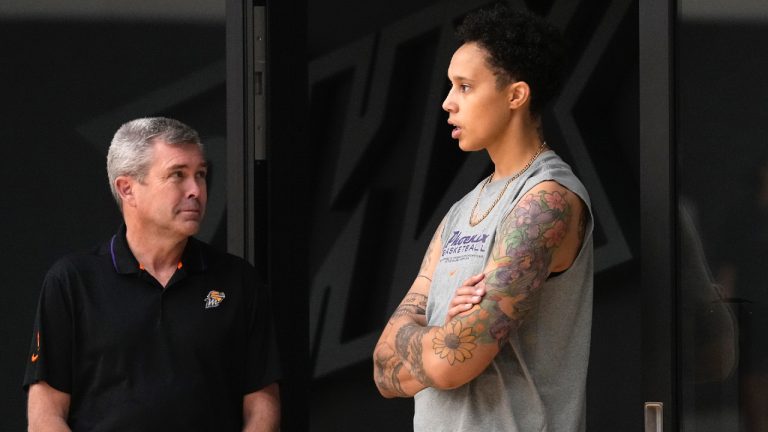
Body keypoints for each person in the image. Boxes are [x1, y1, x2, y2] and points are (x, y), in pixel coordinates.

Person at [373, 5, 593, 431]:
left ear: (516, 95)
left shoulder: (545, 201)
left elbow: (455, 361)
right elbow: (382, 371)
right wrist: (441, 334)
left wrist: (420, 336)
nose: (447, 102)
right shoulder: (461, 210)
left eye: (465, 86)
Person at [24, 117, 280, 431]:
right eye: (177, 175)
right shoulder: (72, 281)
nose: (196, 190)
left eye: (200, 174)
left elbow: (262, 403)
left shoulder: (238, 280)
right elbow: (45, 415)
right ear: (127, 189)